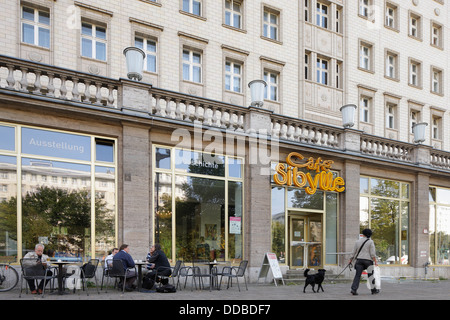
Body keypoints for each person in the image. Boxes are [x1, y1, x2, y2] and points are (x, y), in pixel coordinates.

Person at [349, 229, 379, 295]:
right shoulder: (371, 242)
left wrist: (350, 259)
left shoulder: (357, 241)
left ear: (363, 234)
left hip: (359, 260)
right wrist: (375, 261)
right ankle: (373, 290)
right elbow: (372, 253)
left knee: (357, 275)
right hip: (368, 261)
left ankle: (354, 289)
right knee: (370, 275)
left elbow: (353, 252)